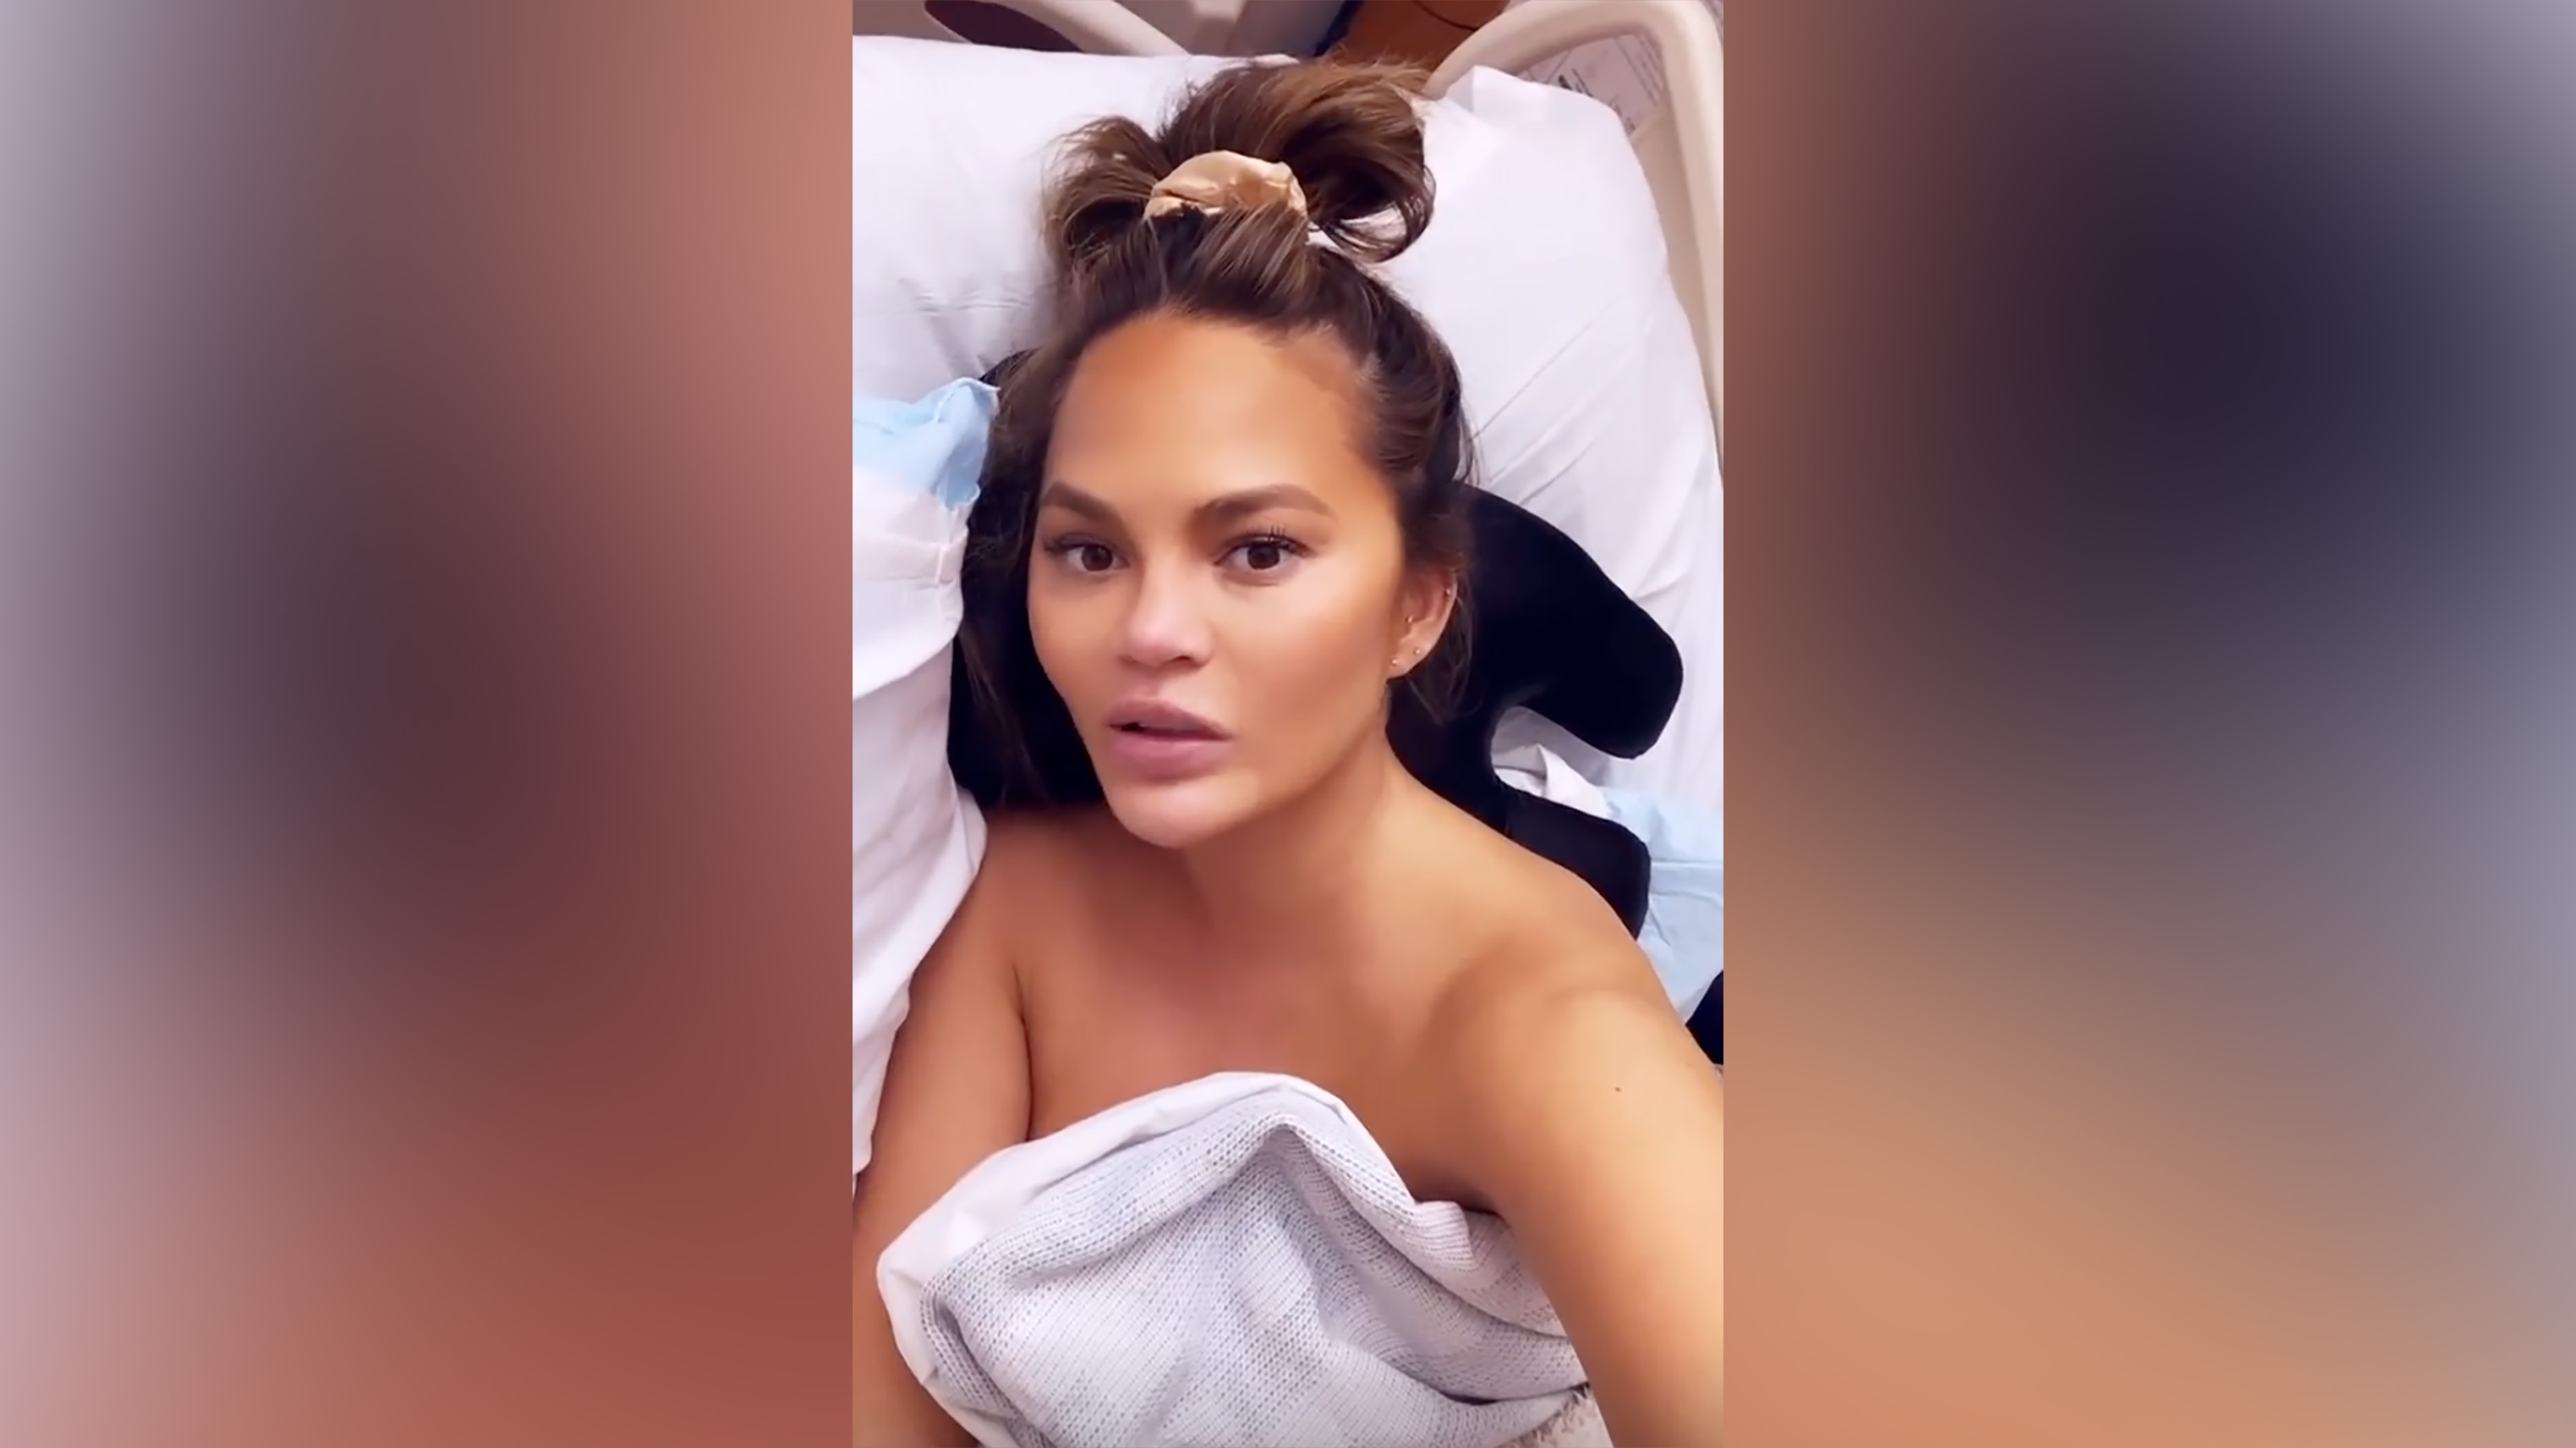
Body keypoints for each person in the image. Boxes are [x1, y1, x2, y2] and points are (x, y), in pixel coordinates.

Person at [852, 60, 1724, 1448]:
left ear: (1418, 604)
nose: (1150, 632)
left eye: (1257, 551)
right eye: (1089, 551)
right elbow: (879, 1403)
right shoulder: (1011, 904)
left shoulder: (1539, 1016)